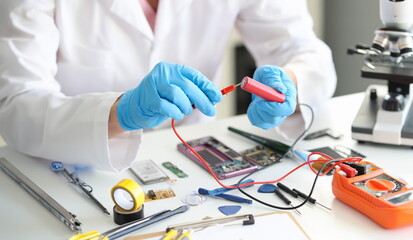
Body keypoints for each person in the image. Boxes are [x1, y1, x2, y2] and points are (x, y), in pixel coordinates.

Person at [0, 0, 336, 171]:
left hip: (195, 164)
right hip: (70, 167)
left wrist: (290, 83)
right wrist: (120, 113)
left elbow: (306, 52)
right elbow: (17, 104)